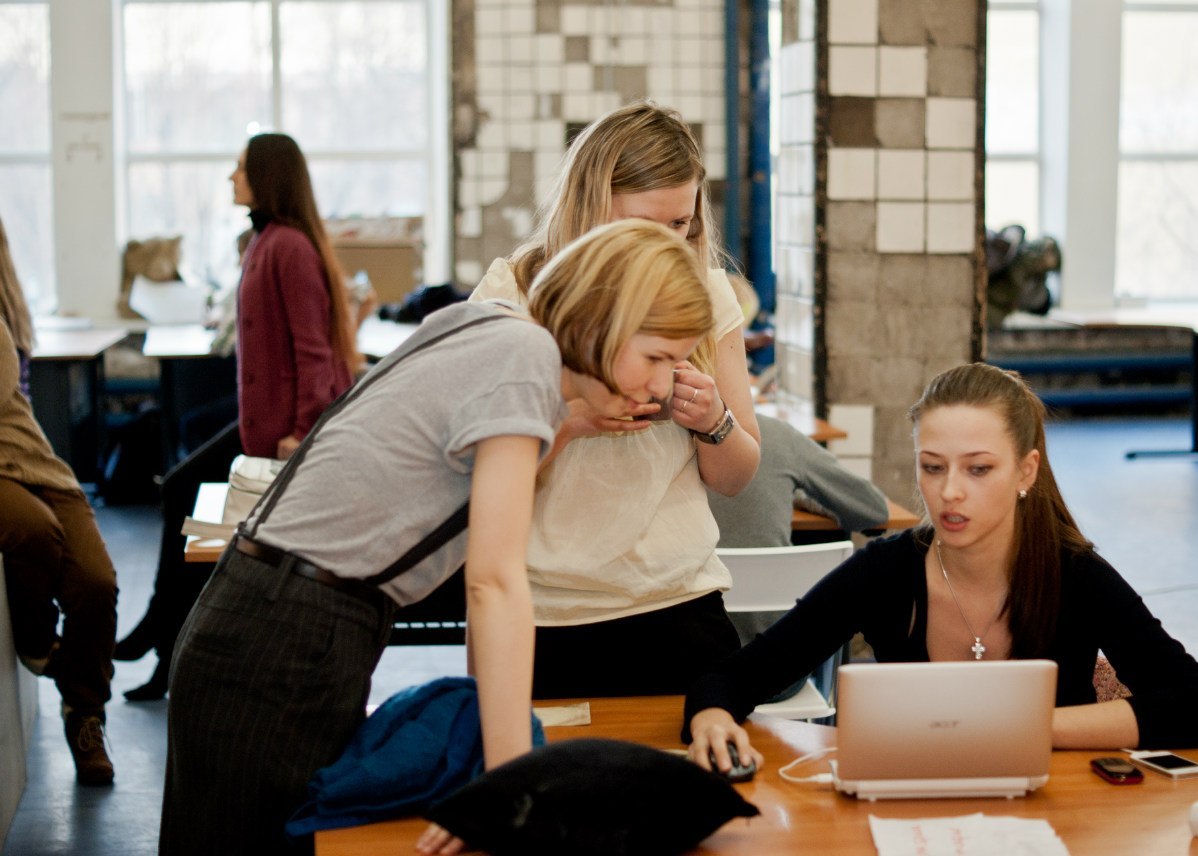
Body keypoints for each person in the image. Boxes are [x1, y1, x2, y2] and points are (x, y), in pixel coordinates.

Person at [159, 219, 715, 855]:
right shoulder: (525, 361)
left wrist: (570, 425)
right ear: (608, 318)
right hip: (288, 634)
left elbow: (472, 509)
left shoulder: (494, 325)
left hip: (267, 615)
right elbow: (496, 580)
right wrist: (510, 794)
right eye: (658, 358)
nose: (664, 384)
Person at [684, 363, 1198, 775]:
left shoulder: (1073, 573)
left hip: (1057, 811)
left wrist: (1023, 730)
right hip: (914, 808)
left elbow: (1197, 709)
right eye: (932, 467)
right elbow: (733, 678)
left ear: (1025, 470)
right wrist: (711, 716)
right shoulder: (886, 572)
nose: (950, 492)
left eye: (979, 469)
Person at [469, 101, 762, 698]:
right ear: (590, 206)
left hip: (679, 599)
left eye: (681, 225)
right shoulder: (514, 292)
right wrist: (574, 421)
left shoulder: (703, 291)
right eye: (643, 225)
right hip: (548, 609)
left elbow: (737, 477)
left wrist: (713, 422)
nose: (666, 246)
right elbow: (476, 483)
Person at [115, 132, 360, 701]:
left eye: (240, 168)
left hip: (281, 436)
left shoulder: (288, 247)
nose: (231, 177)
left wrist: (302, 433)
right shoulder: (266, 240)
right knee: (181, 495)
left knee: (184, 499)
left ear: (267, 177)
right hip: (261, 428)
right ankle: (166, 640)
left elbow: (313, 351)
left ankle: (166, 638)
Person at [0, 216, 118, 786]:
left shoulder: (6, 300)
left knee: (97, 581)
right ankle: (42, 647)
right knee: (32, 531)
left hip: (28, 452)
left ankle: (84, 712)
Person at [708, 413, 888, 548]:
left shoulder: (681, 445)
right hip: (779, 592)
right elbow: (874, 509)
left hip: (693, 595)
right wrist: (801, 497)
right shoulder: (779, 435)